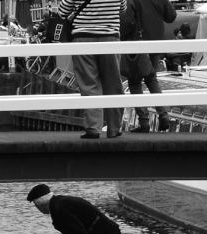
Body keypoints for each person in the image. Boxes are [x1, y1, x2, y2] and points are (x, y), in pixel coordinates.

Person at [58, 0, 127, 139]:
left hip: (83, 38)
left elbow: (62, 11)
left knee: (89, 83)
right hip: (110, 37)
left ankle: (93, 128)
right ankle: (114, 128)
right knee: (113, 83)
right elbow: (123, 9)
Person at [120, 0, 175, 133]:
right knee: (151, 78)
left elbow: (127, 23)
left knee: (134, 82)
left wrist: (121, 38)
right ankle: (163, 115)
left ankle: (144, 122)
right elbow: (171, 16)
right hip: (157, 42)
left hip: (138, 42)